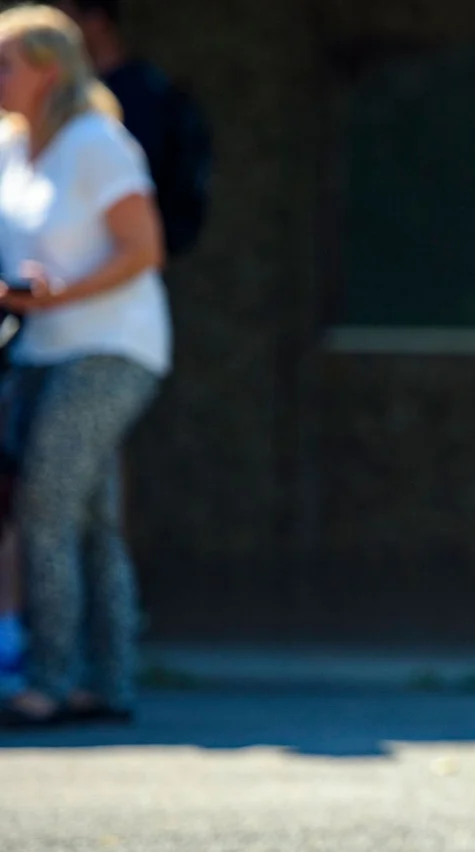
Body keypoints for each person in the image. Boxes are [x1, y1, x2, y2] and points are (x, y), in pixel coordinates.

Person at [0, 4, 169, 726]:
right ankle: (110, 682)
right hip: (41, 348)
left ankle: (49, 680)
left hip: (109, 350)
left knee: (44, 509)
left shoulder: (97, 142)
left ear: (48, 71)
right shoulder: (11, 147)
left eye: (5, 63)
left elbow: (143, 250)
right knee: (92, 521)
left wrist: (61, 293)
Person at [55, 0, 210, 258]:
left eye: (62, 23)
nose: (55, 38)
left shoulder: (147, 97)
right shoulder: (69, 98)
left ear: (96, 21)